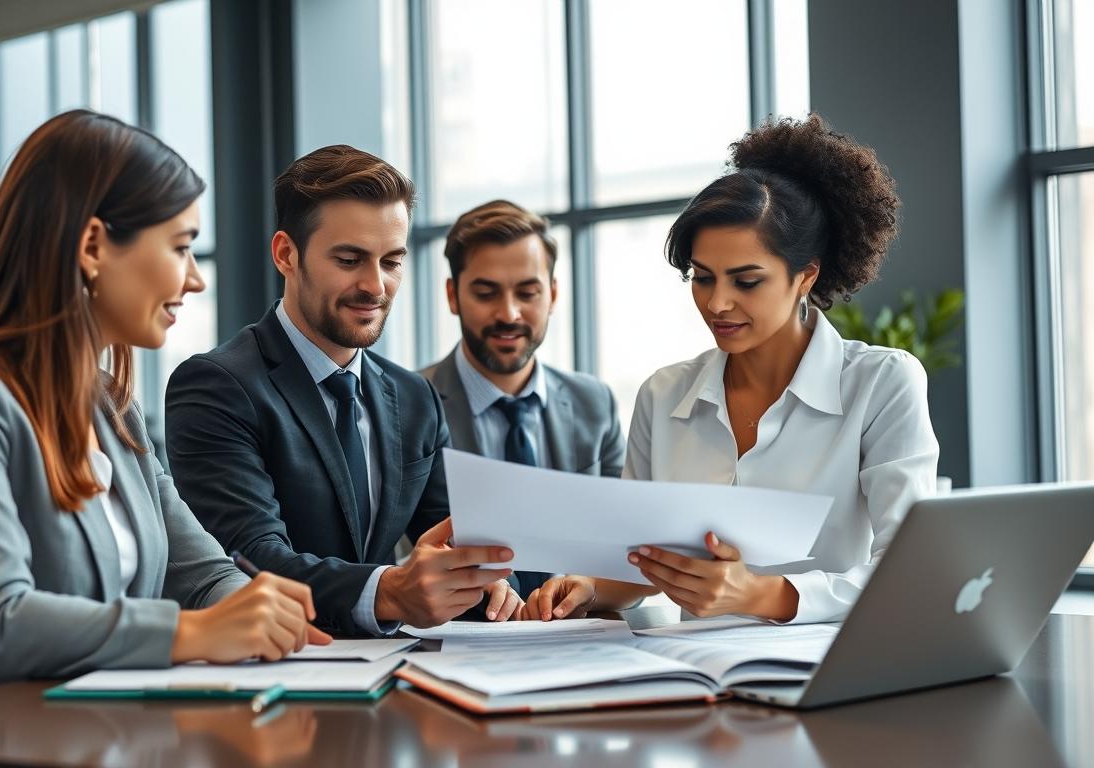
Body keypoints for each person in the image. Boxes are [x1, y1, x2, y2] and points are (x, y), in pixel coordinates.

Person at [0, 110, 328, 704]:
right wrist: (197, 631)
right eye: (180, 247)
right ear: (93, 246)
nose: (195, 280)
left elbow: (201, 573)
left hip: (85, 726)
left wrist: (258, 612)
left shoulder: (112, 408)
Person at [521, 114, 939, 624]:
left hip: (827, 674)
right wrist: (587, 585)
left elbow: (912, 570)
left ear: (805, 276)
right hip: (695, 678)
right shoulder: (664, 393)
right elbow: (637, 563)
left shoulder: (880, 384)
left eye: (746, 281)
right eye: (702, 278)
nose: (717, 303)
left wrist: (760, 594)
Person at [165, 145, 521, 637]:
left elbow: (455, 539)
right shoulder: (216, 386)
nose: (375, 286)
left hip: (390, 679)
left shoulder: (414, 398)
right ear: (287, 254)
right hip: (273, 676)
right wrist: (391, 590)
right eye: (351, 259)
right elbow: (247, 557)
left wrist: (489, 583)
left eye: (391, 262)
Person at [420, 200, 625, 599]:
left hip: (580, 636)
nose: (509, 313)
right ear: (452, 295)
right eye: (485, 293)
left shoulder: (594, 403)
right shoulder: (408, 405)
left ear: (551, 294)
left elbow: (624, 546)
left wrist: (592, 588)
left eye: (527, 292)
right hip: (459, 636)